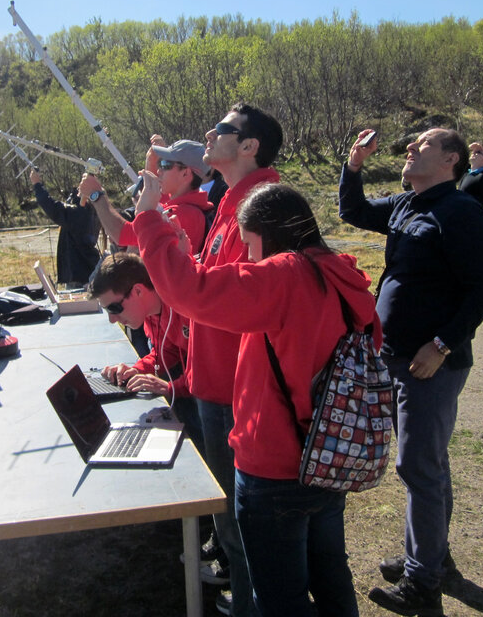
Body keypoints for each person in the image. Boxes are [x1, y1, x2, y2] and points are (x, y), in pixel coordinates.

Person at [134, 177, 377, 617]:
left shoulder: (285, 276)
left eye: (249, 243)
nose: (247, 256)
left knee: (279, 595)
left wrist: (148, 219)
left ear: (274, 234)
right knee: (330, 575)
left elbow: (192, 292)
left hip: (275, 466)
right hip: (327, 454)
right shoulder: (340, 273)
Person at [339, 128, 483, 617]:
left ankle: (422, 587)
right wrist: (354, 167)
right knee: (430, 465)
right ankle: (433, 558)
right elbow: (353, 211)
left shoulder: (462, 212)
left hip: (430, 364)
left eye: (424, 145)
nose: (410, 149)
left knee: (417, 468)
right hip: (394, 356)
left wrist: (441, 343)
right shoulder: (405, 204)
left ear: (452, 159)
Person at [133, 103, 282, 617]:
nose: (207, 134)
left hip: (237, 390)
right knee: (231, 522)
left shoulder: (260, 206)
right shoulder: (232, 202)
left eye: (222, 129)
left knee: (242, 528)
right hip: (215, 382)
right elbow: (214, 281)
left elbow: (217, 300)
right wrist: (185, 254)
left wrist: (150, 219)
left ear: (248, 147)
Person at [87, 252, 202, 454]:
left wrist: (170, 387)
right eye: (107, 311)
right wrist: (137, 369)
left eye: (114, 308)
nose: (113, 320)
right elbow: (165, 353)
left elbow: (209, 369)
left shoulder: (184, 307)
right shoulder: (151, 312)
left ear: (138, 291)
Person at [78, 138, 213, 254]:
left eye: (166, 164)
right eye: (160, 163)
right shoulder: (179, 205)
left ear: (185, 174)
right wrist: (151, 162)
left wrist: (96, 194)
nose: (159, 170)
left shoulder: (184, 214)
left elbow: (120, 235)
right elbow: (156, 199)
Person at [30, 169, 100, 287]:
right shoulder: (92, 211)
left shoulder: (79, 214)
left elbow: (52, 207)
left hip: (79, 277)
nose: (79, 186)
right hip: (86, 271)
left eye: (83, 184)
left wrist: (37, 184)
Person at [458, 142, 483, 208]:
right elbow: (457, 156)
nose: (473, 153)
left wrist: (466, 200)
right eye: (473, 151)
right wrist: (469, 148)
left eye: (478, 152)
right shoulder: (467, 172)